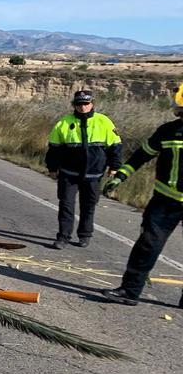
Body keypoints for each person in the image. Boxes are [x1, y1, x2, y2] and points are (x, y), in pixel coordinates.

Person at [101, 81, 183, 307]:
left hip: (167, 201)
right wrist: (120, 177)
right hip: (165, 201)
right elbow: (141, 156)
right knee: (147, 245)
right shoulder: (167, 131)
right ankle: (129, 290)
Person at [45, 90, 122, 249]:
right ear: (74, 105)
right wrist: (52, 168)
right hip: (69, 173)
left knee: (88, 205)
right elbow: (54, 149)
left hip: (94, 174)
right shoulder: (64, 122)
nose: (83, 107)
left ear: (92, 104)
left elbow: (115, 146)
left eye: (86, 103)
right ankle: (63, 237)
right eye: (79, 104)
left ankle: (85, 235)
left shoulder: (104, 122)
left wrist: (114, 166)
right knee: (66, 205)